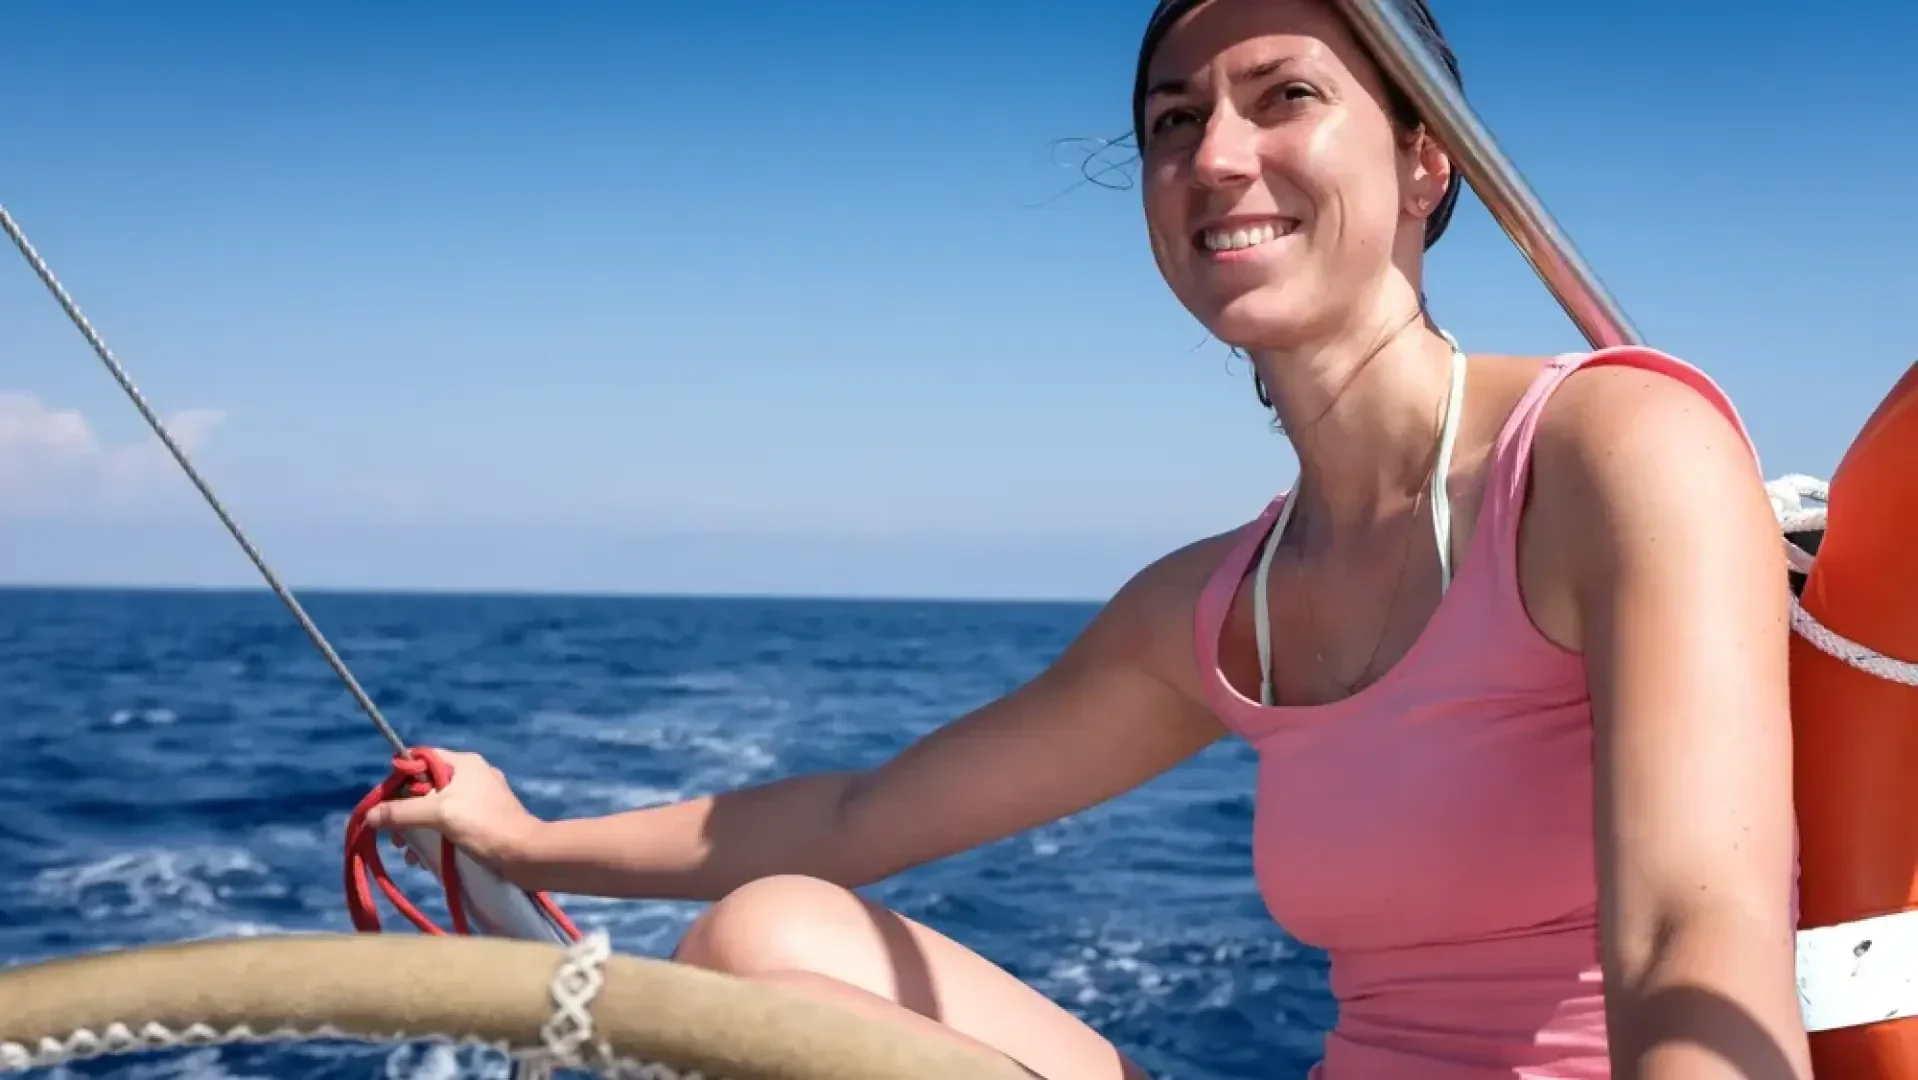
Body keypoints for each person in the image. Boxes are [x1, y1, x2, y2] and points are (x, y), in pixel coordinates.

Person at [365, 1, 1811, 1077]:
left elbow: (1693, 940)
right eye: (1175, 120)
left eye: (1283, 94)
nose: (1217, 155)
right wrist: (523, 836)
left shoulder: (1610, 451)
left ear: (1426, 160)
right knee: (767, 943)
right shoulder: (1213, 607)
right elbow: (863, 819)